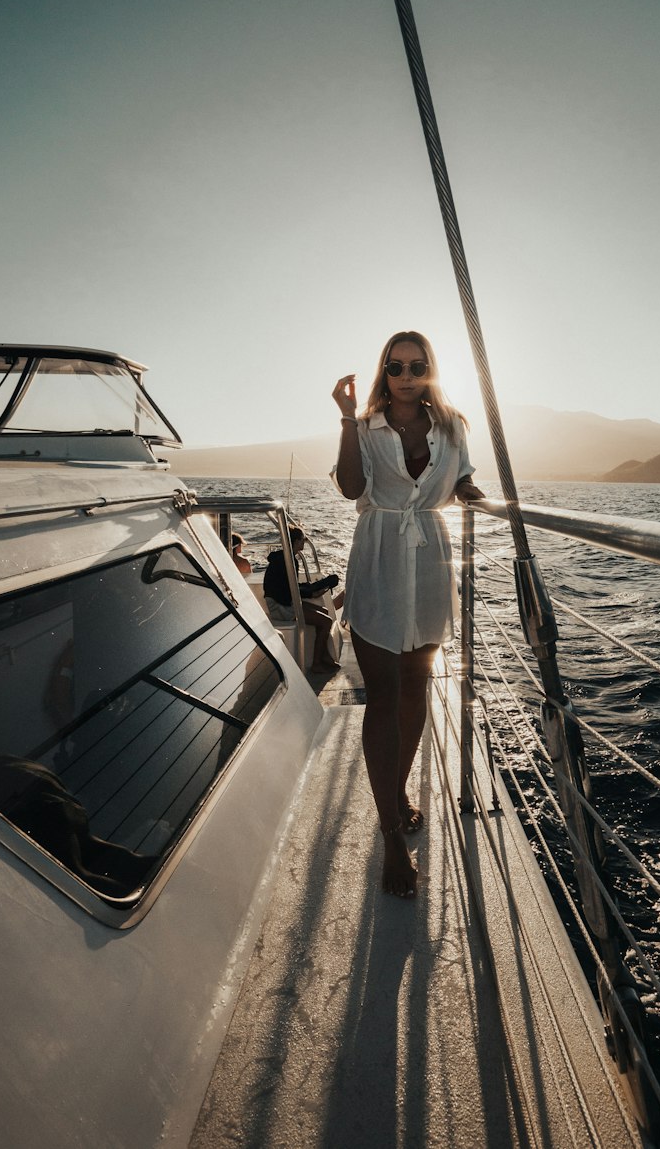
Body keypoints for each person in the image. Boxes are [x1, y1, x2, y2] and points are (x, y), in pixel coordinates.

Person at [332, 331, 483, 898]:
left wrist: (470, 493)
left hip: (429, 556)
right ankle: (391, 832)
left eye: (418, 365)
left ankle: (394, 792)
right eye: (395, 366)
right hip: (378, 554)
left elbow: (462, 476)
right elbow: (351, 488)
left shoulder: (452, 426)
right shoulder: (367, 426)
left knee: (416, 686)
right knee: (385, 691)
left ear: (431, 370)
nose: (406, 374)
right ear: (384, 372)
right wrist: (348, 418)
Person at [263, 527, 340, 674]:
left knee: (324, 612)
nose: (304, 542)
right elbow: (289, 591)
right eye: (303, 539)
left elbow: (289, 587)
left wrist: (311, 591)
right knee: (326, 621)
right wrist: (311, 593)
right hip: (281, 607)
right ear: (297, 541)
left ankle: (325, 656)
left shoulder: (284, 557)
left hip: (283, 602)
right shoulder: (288, 560)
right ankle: (317, 663)